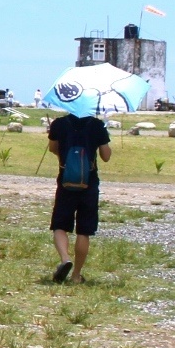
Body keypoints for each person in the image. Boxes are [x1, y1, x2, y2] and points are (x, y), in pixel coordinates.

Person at [47, 111, 113, 283]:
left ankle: (64, 259)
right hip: (89, 183)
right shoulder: (97, 125)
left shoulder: (59, 124)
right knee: (84, 230)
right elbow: (106, 156)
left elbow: (53, 148)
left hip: (66, 180)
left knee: (60, 225)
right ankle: (76, 274)